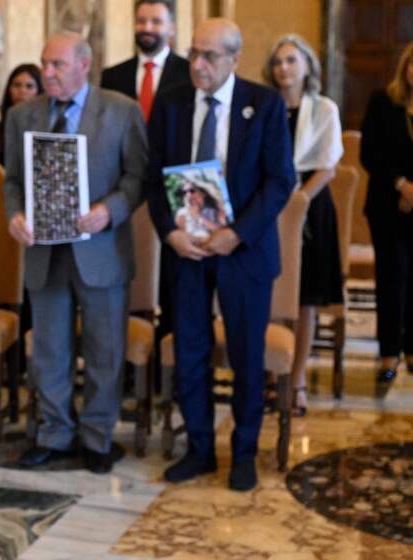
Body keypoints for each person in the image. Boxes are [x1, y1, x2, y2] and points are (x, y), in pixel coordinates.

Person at [147, 18, 293, 491]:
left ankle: (244, 452)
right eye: (193, 54)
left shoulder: (264, 104)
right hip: (187, 250)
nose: (198, 65)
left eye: (209, 56)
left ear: (234, 58)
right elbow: (153, 179)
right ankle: (200, 449)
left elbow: (280, 181)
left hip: (243, 252)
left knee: (247, 355)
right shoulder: (170, 104)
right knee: (190, 351)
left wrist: (238, 233)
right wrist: (170, 233)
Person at [4, 31, 148, 474]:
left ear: (85, 65)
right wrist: (15, 215)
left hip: (101, 249)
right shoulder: (21, 115)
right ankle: (54, 433)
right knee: (49, 349)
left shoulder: (121, 111)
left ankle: (97, 436)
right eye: (44, 63)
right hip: (45, 252)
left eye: (57, 65)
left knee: (105, 348)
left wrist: (109, 211)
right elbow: (12, 181)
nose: (46, 73)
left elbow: (137, 177)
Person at [101, 0, 192, 351]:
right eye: (141, 20)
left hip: (173, 186)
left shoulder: (187, 73)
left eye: (156, 21)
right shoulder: (114, 76)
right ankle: (126, 359)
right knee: (127, 270)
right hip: (123, 186)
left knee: (172, 277)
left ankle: (166, 362)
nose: (147, 28)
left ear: (171, 27)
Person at [263, 34, 343, 414]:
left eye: (292, 61)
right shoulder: (265, 107)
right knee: (270, 294)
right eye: (278, 62)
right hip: (269, 207)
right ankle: (269, 373)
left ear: (307, 65)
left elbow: (327, 166)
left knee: (305, 297)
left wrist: (298, 202)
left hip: (310, 207)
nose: (284, 68)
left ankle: (296, 381)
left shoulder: (324, 109)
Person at [360, 41, 413, 383]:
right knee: (391, 279)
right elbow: (370, 152)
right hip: (386, 204)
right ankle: (389, 353)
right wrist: (402, 185)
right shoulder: (383, 102)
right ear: (405, 67)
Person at [0, 64, 42, 164]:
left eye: (29, 86)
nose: (22, 91)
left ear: (39, 90)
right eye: (17, 85)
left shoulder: (46, 123)